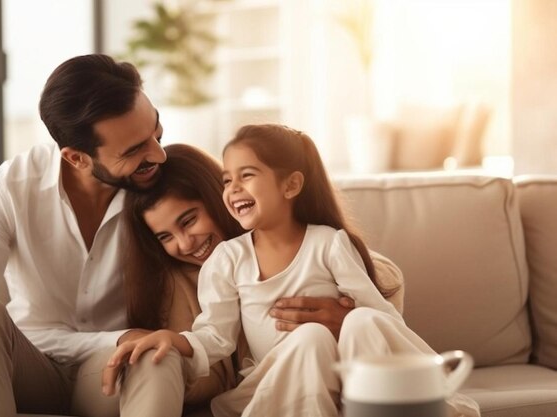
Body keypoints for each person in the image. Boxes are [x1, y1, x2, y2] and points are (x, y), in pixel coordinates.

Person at [104, 134, 481, 416]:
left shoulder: (329, 244)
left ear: (290, 185)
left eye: (189, 220)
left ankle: (398, 400)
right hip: (275, 377)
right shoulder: (220, 265)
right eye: (166, 236)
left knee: (360, 321)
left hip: (349, 365)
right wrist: (175, 339)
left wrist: (347, 318)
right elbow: (212, 337)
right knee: (312, 337)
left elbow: (380, 311)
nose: (185, 243)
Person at [0, 54, 174, 417]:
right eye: (134, 150)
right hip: (27, 367)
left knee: (157, 354)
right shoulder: (10, 187)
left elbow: (243, 251)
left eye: (155, 131)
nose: (159, 154)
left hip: (111, 372)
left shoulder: (169, 185)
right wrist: (117, 336)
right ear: (77, 158)